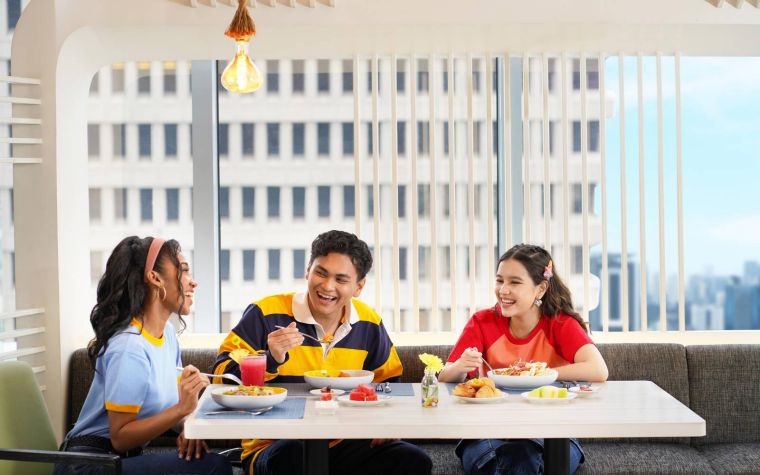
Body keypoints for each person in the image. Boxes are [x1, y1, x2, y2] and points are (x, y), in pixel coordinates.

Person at [213, 229, 432, 475]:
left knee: (413, 461)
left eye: (341, 279)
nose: (327, 286)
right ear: (308, 270)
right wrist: (269, 358)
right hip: (274, 444)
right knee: (293, 456)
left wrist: (386, 424)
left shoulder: (369, 323)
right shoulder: (265, 313)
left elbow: (390, 385)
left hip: (346, 441)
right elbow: (220, 378)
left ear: (358, 286)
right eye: (321, 273)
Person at [55, 236, 232, 475]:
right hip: (89, 465)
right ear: (155, 278)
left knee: (212, 461)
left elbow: (171, 406)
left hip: (119, 460)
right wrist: (181, 410)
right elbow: (120, 438)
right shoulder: (129, 346)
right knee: (214, 467)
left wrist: (187, 427)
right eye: (183, 271)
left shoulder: (167, 335)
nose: (193, 283)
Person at [438, 244, 609, 475]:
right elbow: (445, 377)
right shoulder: (483, 321)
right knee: (518, 459)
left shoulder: (560, 324)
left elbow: (598, 369)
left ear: (540, 289)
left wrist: (540, 374)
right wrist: (461, 366)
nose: (503, 290)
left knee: (522, 458)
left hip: (552, 432)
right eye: (500, 280)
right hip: (488, 431)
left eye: (515, 282)